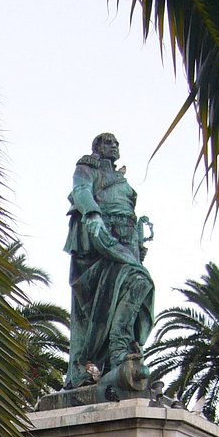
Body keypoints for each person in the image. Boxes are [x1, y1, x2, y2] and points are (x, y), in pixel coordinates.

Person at [64, 131, 155, 388]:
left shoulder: (121, 178)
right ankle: (113, 350)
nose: (113, 146)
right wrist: (92, 214)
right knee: (136, 282)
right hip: (101, 241)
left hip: (127, 239)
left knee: (137, 282)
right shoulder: (87, 167)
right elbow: (81, 191)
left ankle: (121, 349)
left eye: (116, 143)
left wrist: (137, 240)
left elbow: (129, 210)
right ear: (97, 147)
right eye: (108, 142)